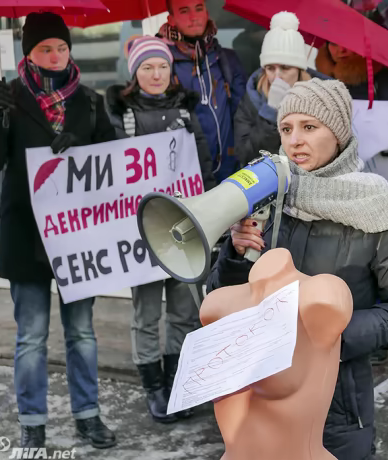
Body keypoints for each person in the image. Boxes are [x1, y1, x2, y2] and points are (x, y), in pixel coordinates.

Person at [207, 78, 388, 460]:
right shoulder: (267, 200)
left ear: (339, 133)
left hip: (336, 406)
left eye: (309, 127)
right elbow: (221, 299)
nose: (295, 140)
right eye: (286, 129)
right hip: (258, 396)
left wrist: (327, 340)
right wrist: (235, 253)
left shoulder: (377, 208)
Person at [0, 12, 117, 449]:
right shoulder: (8, 97)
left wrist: (82, 149)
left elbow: (112, 161)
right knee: (31, 337)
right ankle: (32, 423)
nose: (55, 56)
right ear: (28, 53)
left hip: (77, 237)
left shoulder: (89, 100)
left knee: (81, 332)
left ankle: (88, 415)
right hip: (25, 235)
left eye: (61, 47)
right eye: (45, 48)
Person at [104, 36, 216, 424]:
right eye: (148, 67)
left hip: (182, 227)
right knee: (147, 313)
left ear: (172, 71)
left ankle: (176, 383)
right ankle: (154, 388)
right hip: (141, 231)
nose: (156, 74)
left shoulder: (186, 111)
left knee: (184, 311)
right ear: (135, 72)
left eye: (163, 66)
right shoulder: (121, 115)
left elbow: (202, 165)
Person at [158, 0, 247, 183]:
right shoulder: (161, 63)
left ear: (206, 13)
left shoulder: (227, 59)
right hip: (186, 178)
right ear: (171, 19)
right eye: (184, 11)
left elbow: (242, 116)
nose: (194, 17)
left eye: (199, 8)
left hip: (230, 173)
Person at [234, 11, 330, 166]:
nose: (277, 76)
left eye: (285, 68)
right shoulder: (252, 99)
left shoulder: (324, 97)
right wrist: (270, 113)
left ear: (299, 69)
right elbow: (247, 156)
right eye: (270, 68)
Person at [314, 33, 388, 180]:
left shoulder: (381, 78)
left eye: (348, 43)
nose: (341, 50)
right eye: (333, 44)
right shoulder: (319, 81)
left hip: (375, 169)